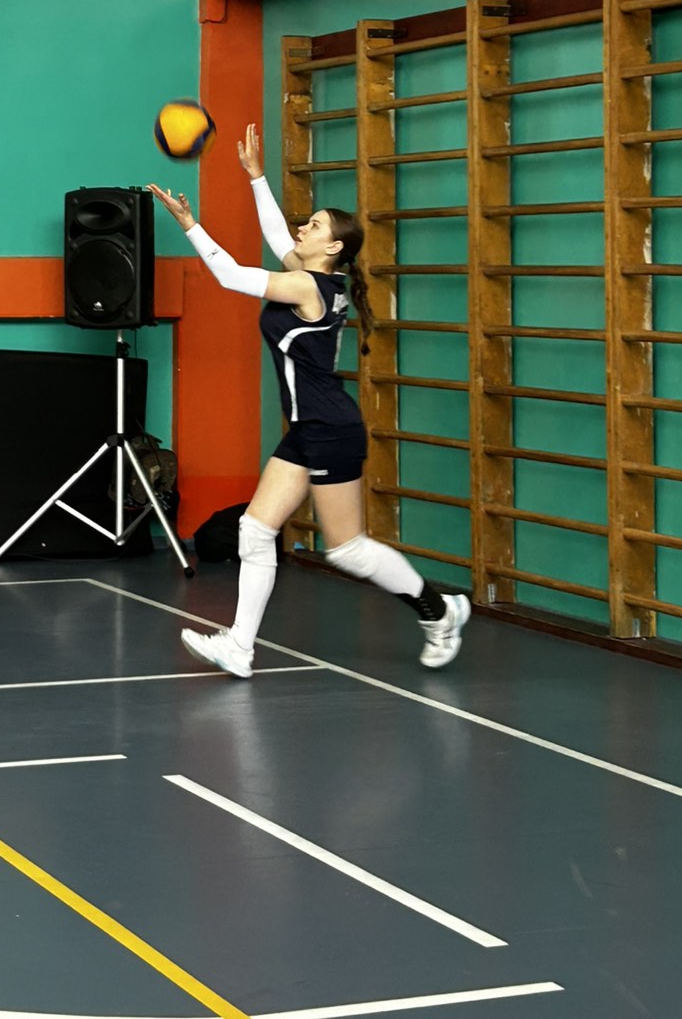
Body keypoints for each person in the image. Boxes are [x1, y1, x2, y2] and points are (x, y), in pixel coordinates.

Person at [147, 123, 469, 678]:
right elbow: (280, 240)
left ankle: (439, 612)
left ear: (334, 247)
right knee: (255, 530)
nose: (304, 227)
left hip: (330, 429)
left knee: (346, 549)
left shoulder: (306, 287)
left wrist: (189, 223)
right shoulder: (315, 278)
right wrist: (257, 178)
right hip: (307, 427)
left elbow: (229, 275)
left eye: (314, 225)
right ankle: (239, 646)